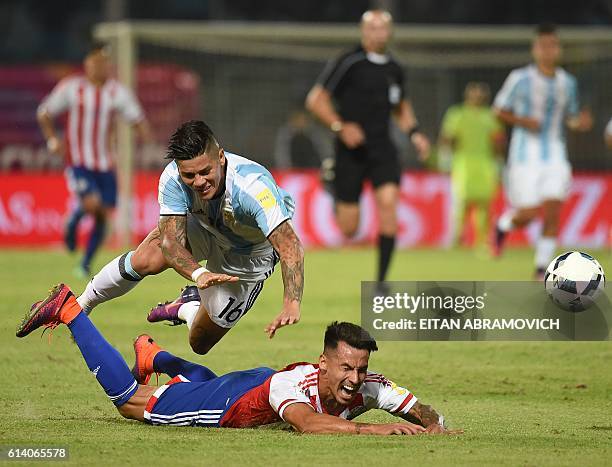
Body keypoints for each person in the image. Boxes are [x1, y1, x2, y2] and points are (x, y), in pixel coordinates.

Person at [17, 284, 460, 435]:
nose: (354, 378)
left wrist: (433, 425)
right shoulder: (297, 388)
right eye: (345, 368)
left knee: (205, 382)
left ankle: (156, 355)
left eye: (360, 369)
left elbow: (416, 408)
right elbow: (309, 425)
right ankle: (70, 310)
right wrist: (382, 429)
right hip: (240, 400)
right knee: (133, 404)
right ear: (322, 364)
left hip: (253, 385)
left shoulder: (368, 385)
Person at [76, 120, 304, 355]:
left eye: (206, 172)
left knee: (200, 343)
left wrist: (291, 302)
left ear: (221, 157)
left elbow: (289, 244)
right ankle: (80, 306)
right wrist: (199, 273)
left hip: (249, 253)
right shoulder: (173, 179)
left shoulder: (253, 189)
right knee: (146, 258)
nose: (199, 182)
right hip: (206, 227)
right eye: (189, 175)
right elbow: (170, 243)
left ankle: (188, 306)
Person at [305, 9, 430, 290]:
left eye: (382, 28)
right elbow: (315, 101)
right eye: (371, 28)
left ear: (390, 32)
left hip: (383, 148)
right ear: (363, 32)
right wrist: (340, 126)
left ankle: (381, 283)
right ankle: (333, 185)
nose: (377, 33)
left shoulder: (395, 68)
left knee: (388, 205)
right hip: (350, 151)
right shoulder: (349, 62)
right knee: (349, 228)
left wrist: (415, 133)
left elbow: (401, 106)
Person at [37, 42, 152, 277]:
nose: (98, 67)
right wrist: (53, 140)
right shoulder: (72, 88)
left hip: (105, 164)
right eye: (93, 62)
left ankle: (85, 263)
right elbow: (45, 112)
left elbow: (137, 118)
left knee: (102, 215)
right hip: (78, 162)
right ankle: (73, 222)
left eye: (102, 63)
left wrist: (145, 137)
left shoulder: (116, 92)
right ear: (87, 64)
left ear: (107, 66)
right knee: (92, 204)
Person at [492, 24, 592, 279]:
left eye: (553, 46)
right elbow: (499, 109)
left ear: (558, 50)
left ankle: (541, 269)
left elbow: (570, 117)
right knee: (528, 213)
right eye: (543, 46)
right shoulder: (520, 79)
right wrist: (525, 122)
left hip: (555, 155)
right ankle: (504, 224)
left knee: (552, 210)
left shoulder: (567, 83)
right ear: (535, 50)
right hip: (525, 156)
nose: (548, 51)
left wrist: (579, 123)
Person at [438, 82, 505, 249]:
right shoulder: (457, 114)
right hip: (463, 163)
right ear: (467, 94)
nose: (477, 95)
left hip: (486, 163)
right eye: (474, 92)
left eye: (480, 92)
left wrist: (499, 161)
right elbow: (447, 137)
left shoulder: (491, 116)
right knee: (461, 202)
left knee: (484, 202)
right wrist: (445, 157)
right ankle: (456, 239)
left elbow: (498, 140)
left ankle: (482, 241)